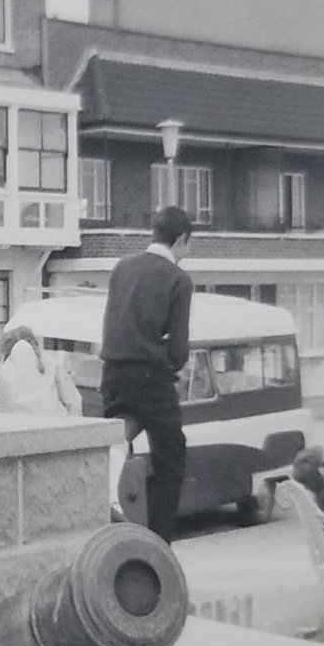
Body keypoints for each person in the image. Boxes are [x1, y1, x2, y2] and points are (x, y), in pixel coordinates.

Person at [99, 206, 194, 544]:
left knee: (115, 440)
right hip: (151, 376)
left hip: (112, 372)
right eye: (187, 246)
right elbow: (180, 349)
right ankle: (158, 544)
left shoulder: (122, 268)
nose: (186, 255)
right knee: (171, 460)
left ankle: (104, 506)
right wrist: (168, 361)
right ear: (181, 239)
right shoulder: (179, 279)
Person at [0, 325, 83, 418]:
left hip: (19, 430)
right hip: (55, 427)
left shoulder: (3, 370)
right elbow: (74, 401)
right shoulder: (52, 364)